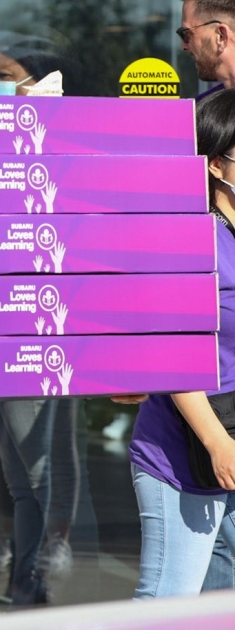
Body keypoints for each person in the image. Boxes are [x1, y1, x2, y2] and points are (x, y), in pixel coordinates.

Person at [127, 87, 235, 598]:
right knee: (166, 606)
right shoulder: (194, 239)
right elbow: (170, 349)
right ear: (217, 165)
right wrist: (218, 443)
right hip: (186, 453)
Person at [176, 0, 235, 94]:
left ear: (221, 36)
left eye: (187, 33)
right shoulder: (203, 108)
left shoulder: (203, 109)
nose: (184, 45)